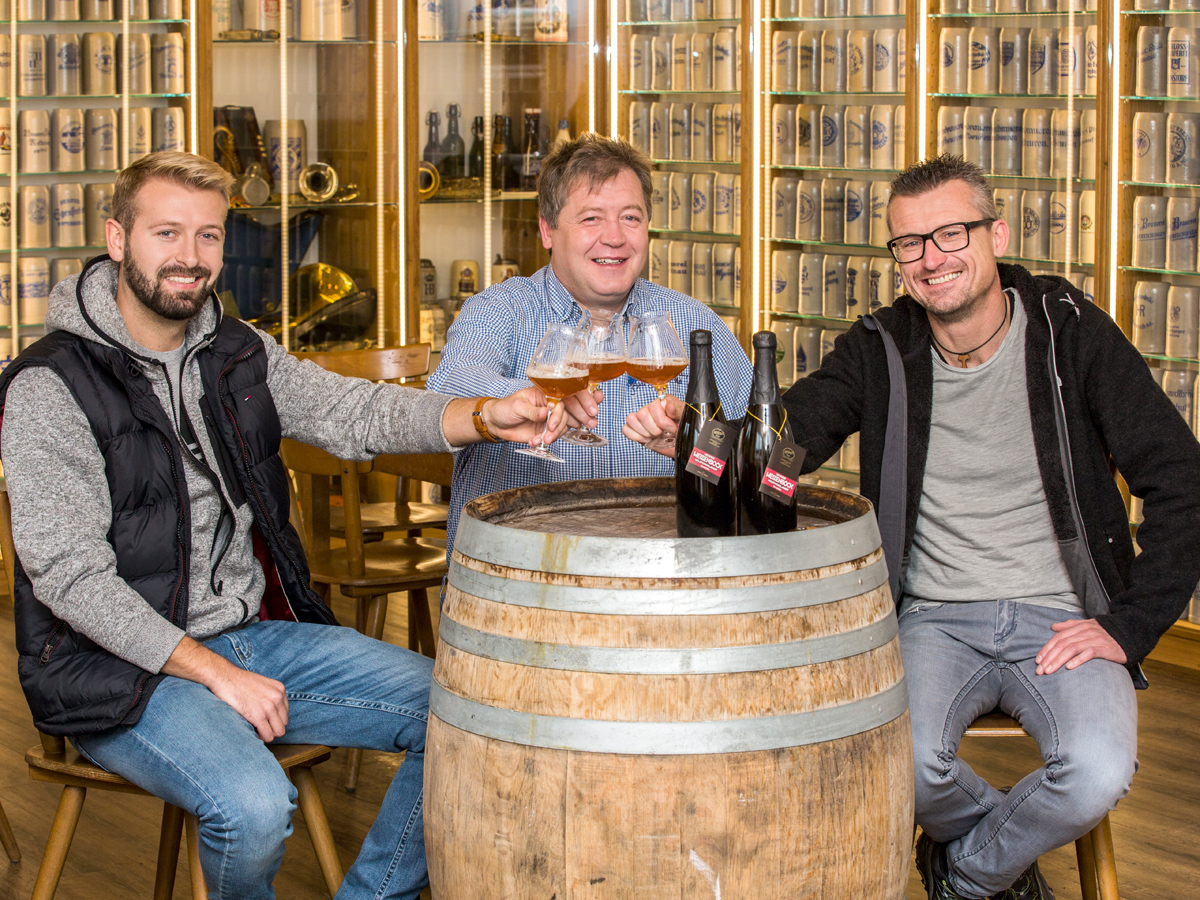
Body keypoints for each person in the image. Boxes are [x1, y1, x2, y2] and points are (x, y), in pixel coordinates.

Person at [625, 155, 1200, 900]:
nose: (931, 259)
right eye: (909, 244)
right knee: (899, 765)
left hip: (1064, 621)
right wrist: (700, 440)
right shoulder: (882, 346)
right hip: (932, 620)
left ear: (996, 235)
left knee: (1095, 774)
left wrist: (1129, 627)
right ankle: (1001, 862)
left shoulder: (1070, 332)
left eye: (951, 234)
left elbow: (1182, 480)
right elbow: (791, 442)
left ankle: (963, 875)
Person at [0, 151, 563, 900]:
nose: (190, 256)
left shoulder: (235, 351)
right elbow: (70, 579)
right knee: (255, 808)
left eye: (208, 235)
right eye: (166, 233)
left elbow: (353, 412)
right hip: (115, 669)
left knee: (472, 714)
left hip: (250, 636)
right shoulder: (50, 386)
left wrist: (487, 416)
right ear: (116, 238)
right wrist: (214, 674)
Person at [426, 133, 751, 554]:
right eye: (591, 218)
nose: (614, 237)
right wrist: (536, 399)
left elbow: (762, 457)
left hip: (662, 574)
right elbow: (447, 390)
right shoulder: (502, 310)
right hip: (521, 577)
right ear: (547, 230)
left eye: (631, 217)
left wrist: (696, 446)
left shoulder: (693, 323)